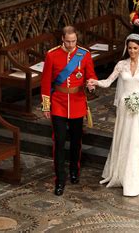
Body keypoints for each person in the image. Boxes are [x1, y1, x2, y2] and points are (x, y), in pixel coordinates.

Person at [87, 34, 139, 196]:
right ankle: (124, 175)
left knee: (138, 140)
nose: (132, 51)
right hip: (126, 107)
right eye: (130, 48)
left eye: (135, 48)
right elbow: (108, 82)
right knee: (126, 139)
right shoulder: (121, 65)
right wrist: (96, 82)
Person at [41, 26, 97, 196]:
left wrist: (91, 84)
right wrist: (46, 105)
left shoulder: (84, 54)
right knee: (59, 142)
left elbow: (91, 75)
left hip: (78, 102)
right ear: (62, 40)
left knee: (76, 141)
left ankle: (74, 170)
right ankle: (60, 179)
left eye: (74, 41)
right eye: (68, 41)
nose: (72, 45)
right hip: (58, 103)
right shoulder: (52, 55)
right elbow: (45, 82)